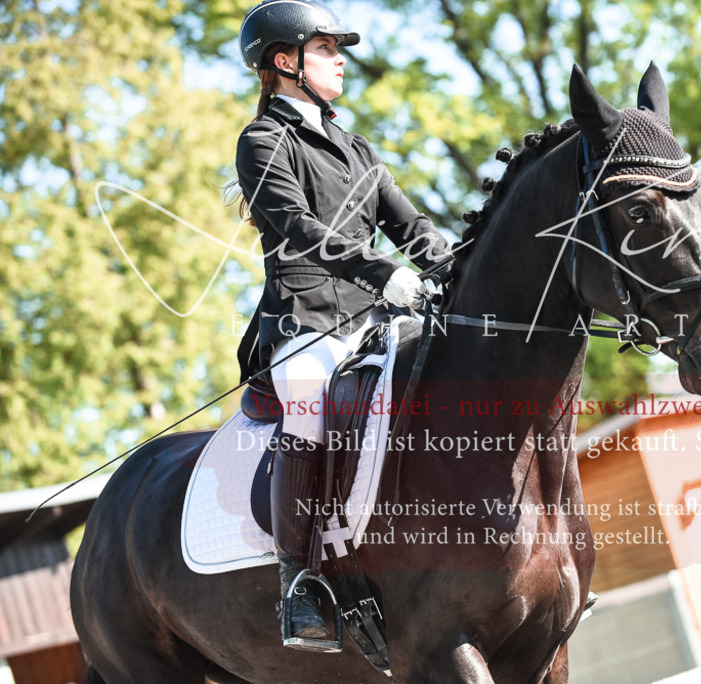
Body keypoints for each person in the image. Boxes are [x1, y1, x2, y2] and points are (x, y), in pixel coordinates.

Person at [234, 0, 449, 644]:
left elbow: (409, 224)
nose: (340, 61)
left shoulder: (355, 147)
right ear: (285, 61)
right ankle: (298, 583)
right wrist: (385, 273)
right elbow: (300, 231)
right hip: (307, 323)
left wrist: (453, 269)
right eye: (326, 50)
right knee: (309, 412)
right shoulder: (263, 141)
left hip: (378, 319)